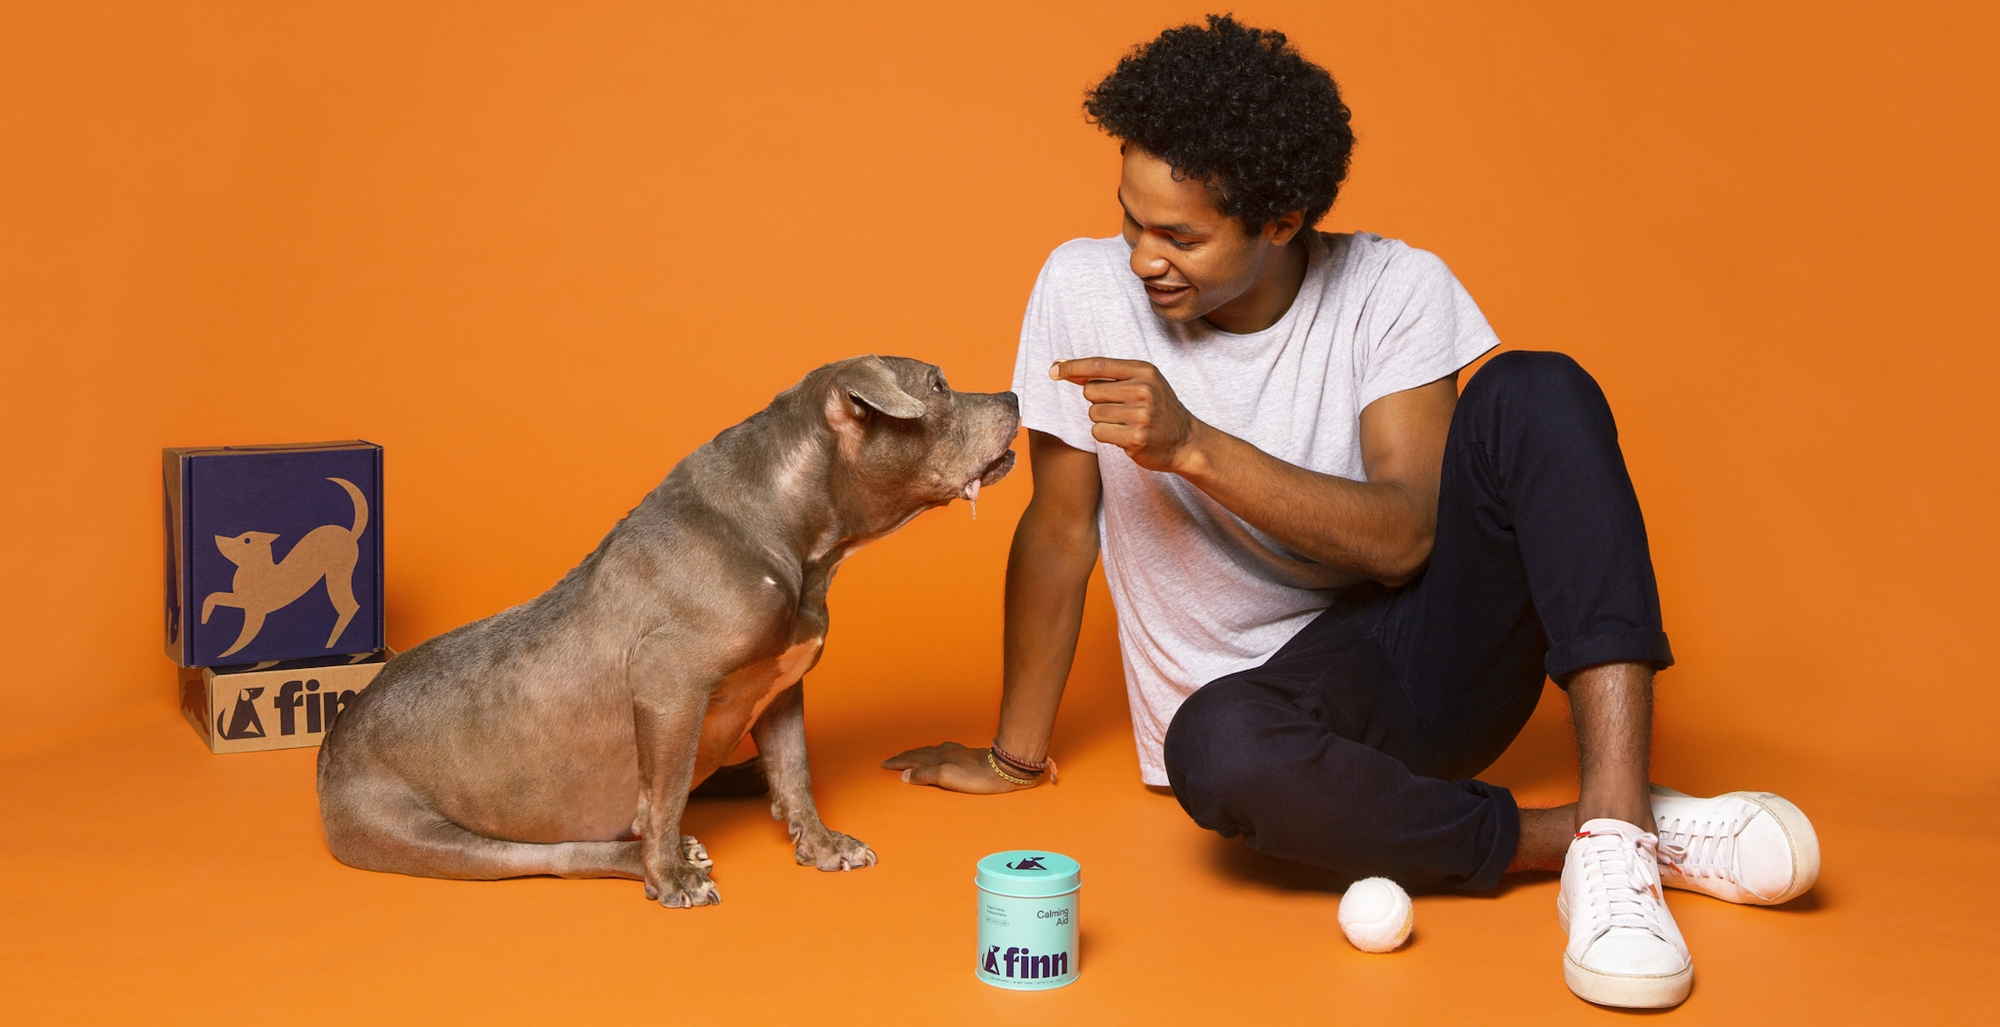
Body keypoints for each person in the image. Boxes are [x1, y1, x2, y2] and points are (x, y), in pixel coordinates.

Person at [881, 14, 1818, 1009]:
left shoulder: (1391, 290)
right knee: (1217, 744)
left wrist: (1192, 446)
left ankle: (1618, 835)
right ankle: (1590, 836)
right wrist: (1013, 757)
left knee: (1536, 388)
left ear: (1279, 220)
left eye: (1181, 236)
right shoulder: (1078, 288)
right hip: (1250, 723)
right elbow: (1061, 529)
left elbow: (1406, 535)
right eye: (1129, 220)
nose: (1142, 259)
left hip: (1413, 670)